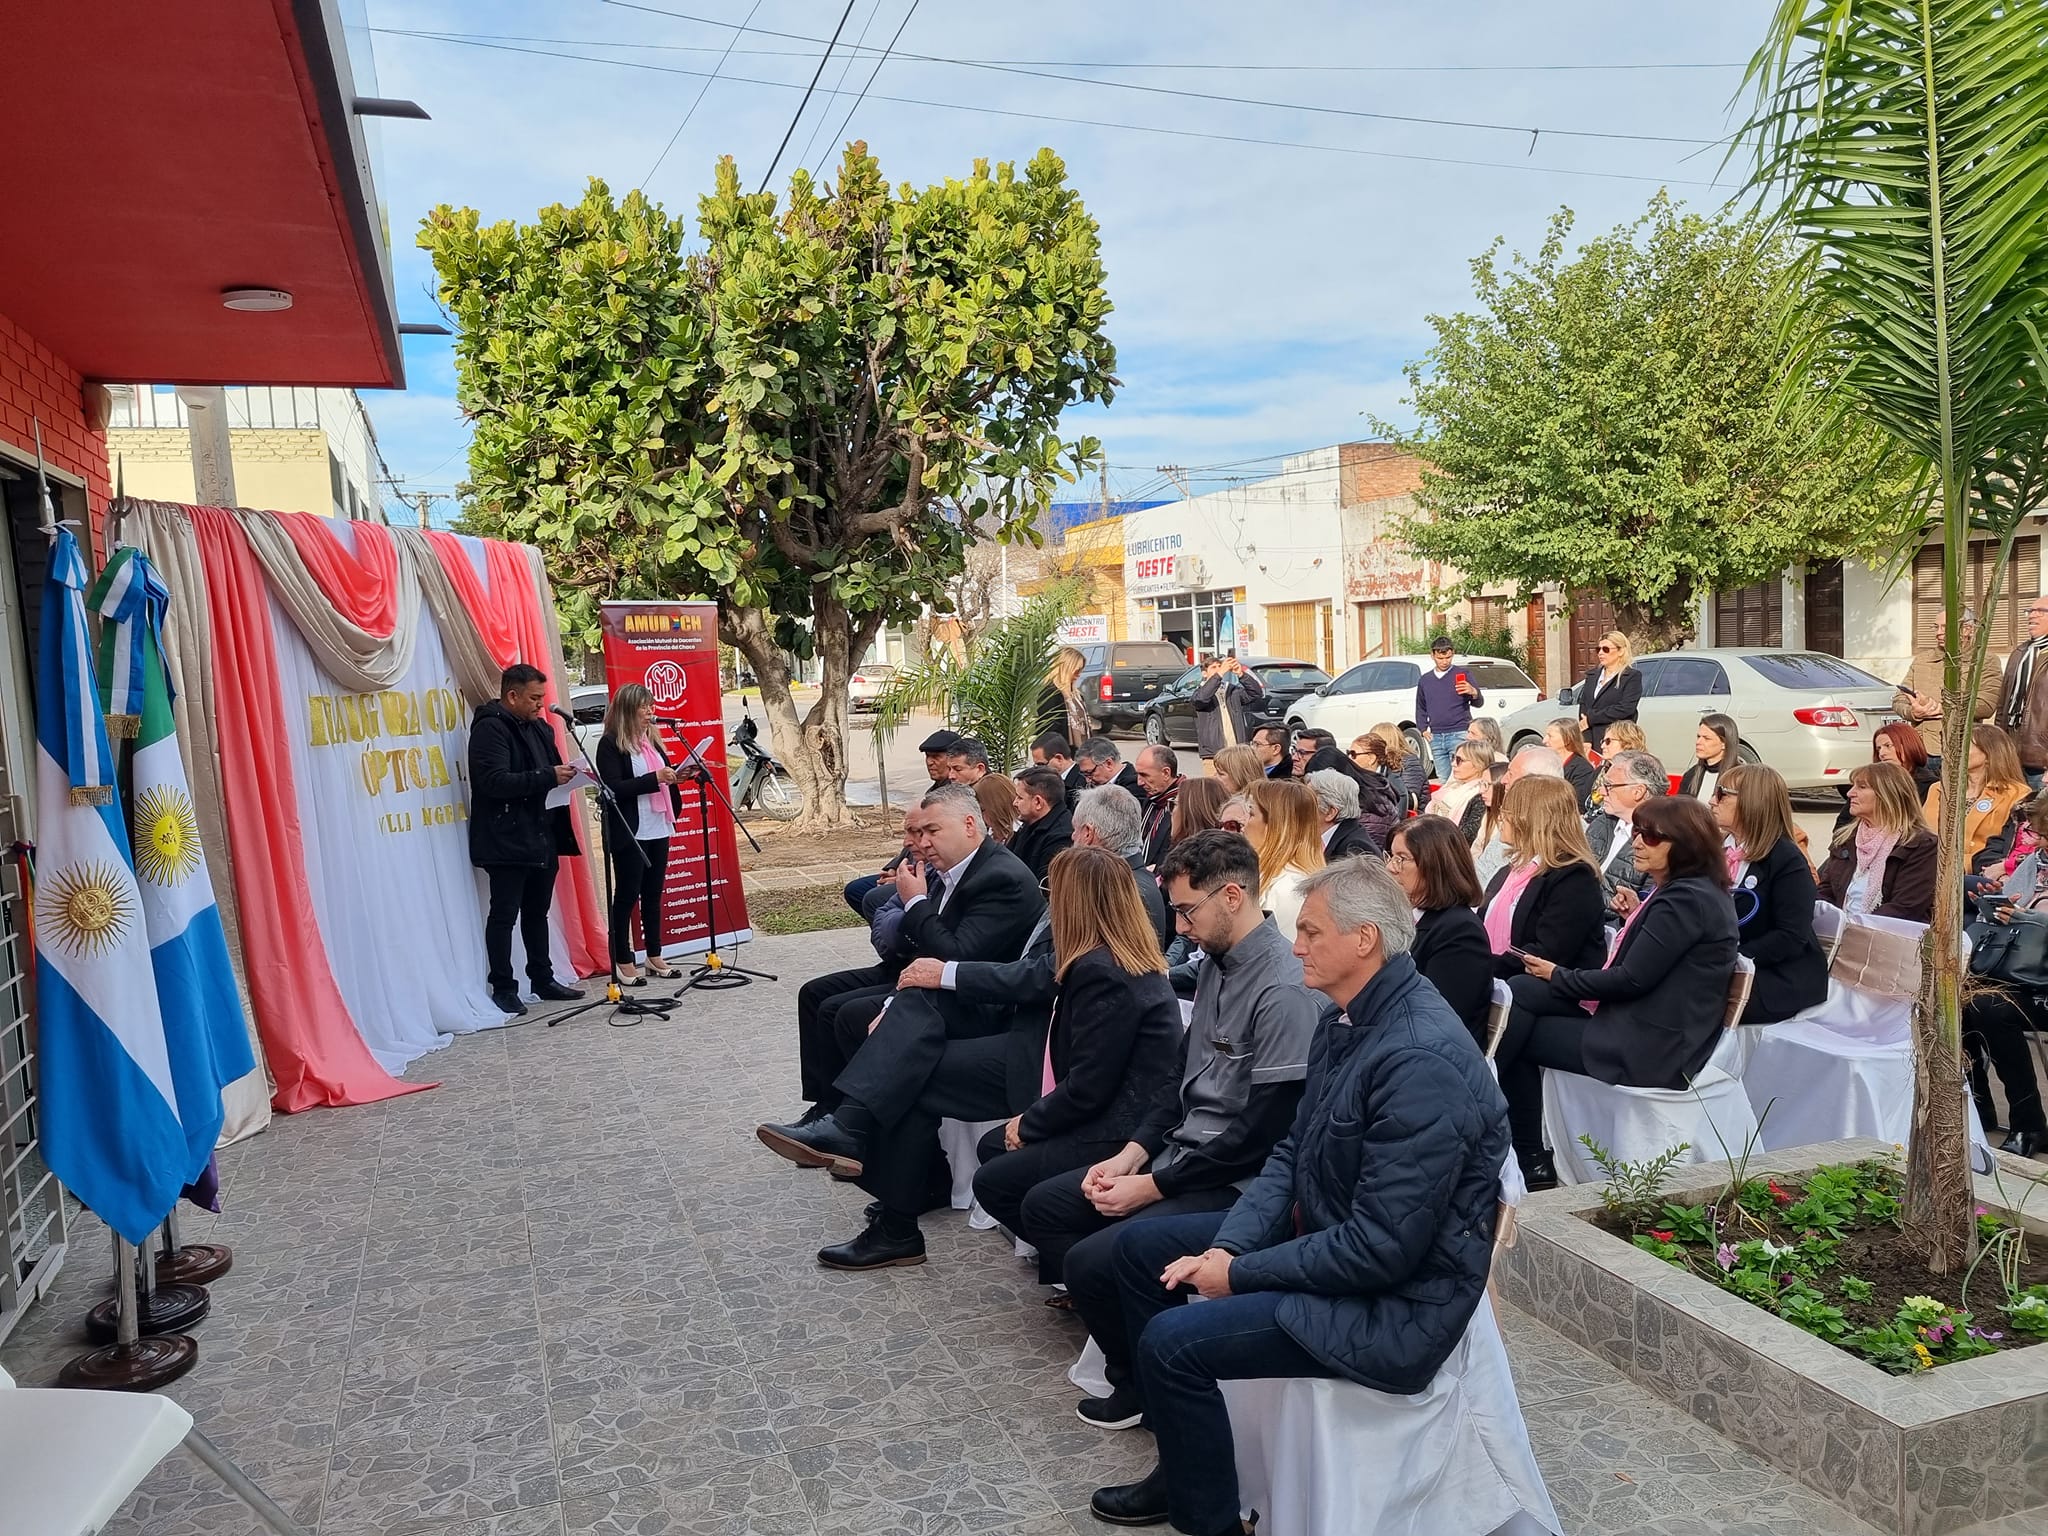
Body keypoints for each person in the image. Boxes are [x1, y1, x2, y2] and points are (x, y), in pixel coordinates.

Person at [1084, 857, 1509, 1535]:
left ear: (1364, 939)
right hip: (1330, 1239)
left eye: (1310, 931)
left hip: (1395, 1307)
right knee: (1137, 1252)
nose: (1297, 946)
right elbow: (1291, 1155)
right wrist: (1228, 1245)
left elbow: (1382, 1251)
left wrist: (1239, 1272)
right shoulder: (1348, 1017)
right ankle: (1188, 1465)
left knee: (1171, 1343)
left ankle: (1208, 1521)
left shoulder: (1418, 1057)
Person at [1037, 831, 1321, 1423]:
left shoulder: (1283, 988)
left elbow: (1262, 1134)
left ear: (1233, 896)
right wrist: (1132, 1155)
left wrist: (1155, 1186)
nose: (1181, 929)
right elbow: (1177, 1080)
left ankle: (1154, 1386)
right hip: (1185, 1155)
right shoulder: (1218, 964)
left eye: (1188, 911)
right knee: (1047, 1208)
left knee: (1097, 1261)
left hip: (1239, 1179)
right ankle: (1136, 1363)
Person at [1492, 794, 1739, 1189]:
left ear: (1686, 845)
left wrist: (1558, 974)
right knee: (1521, 992)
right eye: (1638, 832)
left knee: (1518, 1027)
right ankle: (1521, 1148)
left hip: (1652, 1044)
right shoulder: (1686, 892)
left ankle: (1507, 1137)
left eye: (1652, 837)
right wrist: (1635, 914)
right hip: (1649, 1025)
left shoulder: (1685, 900)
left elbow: (1631, 980)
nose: (1638, 841)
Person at [967, 846, 1190, 1261]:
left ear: (1074, 903)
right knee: (993, 1149)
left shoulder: (1103, 970)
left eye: (1053, 890)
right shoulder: (1109, 958)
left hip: (1124, 1127)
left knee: (995, 1179)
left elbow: (1090, 1086)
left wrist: (1030, 1124)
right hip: (1116, 1110)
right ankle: (1069, 1256)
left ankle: (1084, 1264)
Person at [783, 784, 1045, 1125]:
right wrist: (911, 913)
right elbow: (899, 928)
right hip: (916, 967)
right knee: (815, 993)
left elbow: (955, 954)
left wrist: (915, 903)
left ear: (969, 825)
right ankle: (827, 1107)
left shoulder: (998, 876)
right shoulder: (949, 865)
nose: (921, 843)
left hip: (974, 996)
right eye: (917, 833)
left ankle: (854, 1121)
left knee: (846, 1013)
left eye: (932, 831)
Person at [468, 663, 584, 1015]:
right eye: (534, 698)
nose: (539, 705)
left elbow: (548, 776)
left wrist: (568, 774)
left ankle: (542, 978)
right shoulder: (490, 729)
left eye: (542, 698)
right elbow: (493, 782)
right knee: (504, 915)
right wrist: (547, 776)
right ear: (512, 695)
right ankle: (503, 986)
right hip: (506, 838)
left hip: (541, 832)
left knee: (538, 911)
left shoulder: (540, 729)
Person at [1966, 791, 2048, 1157]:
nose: (2037, 842)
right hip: (2023, 973)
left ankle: (2028, 1124)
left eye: (2044, 835)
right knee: (1963, 1000)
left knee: (1991, 1008)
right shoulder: (2036, 861)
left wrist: (2027, 918)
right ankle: (1977, 1106)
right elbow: (2011, 905)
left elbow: (2029, 919)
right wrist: (1993, 902)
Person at [1711, 764, 1827, 1024]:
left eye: (1722, 794)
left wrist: (1729, 956)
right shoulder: (1719, 849)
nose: (1711, 800)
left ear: (1751, 802)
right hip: (1723, 964)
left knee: (1684, 995)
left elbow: (1790, 936)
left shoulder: (1786, 859)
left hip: (1775, 974)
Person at [593, 683, 681, 985]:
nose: (650, 712)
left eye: (651, 706)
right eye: (644, 706)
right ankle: (622, 957)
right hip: (631, 829)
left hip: (658, 824)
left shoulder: (651, 742)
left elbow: (662, 778)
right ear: (628, 710)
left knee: (653, 894)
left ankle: (654, 955)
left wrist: (678, 775)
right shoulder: (610, 744)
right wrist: (653, 778)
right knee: (627, 895)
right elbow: (613, 787)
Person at [1480, 776, 1607, 981]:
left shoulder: (1574, 878)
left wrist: (1481, 966)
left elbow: (1547, 953)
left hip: (1543, 990)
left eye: (1507, 812)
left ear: (1529, 819)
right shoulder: (1512, 869)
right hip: (1498, 976)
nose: (1501, 819)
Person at [1386, 815, 1494, 1044]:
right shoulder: (1409, 916)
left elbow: (1439, 1016)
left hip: (1431, 1055)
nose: (1390, 868)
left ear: (1435, 865)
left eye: (1401, 858)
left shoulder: (1460, 932)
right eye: (1391, 857)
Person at [843, 726, 963, 917]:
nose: (930, 762)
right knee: (856, 889)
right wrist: (894, 868)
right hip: (914, 867)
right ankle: (892, 937)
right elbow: (913, 840)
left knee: (873, 898)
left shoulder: (957, 797)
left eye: (936, 757)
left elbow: (943, 849)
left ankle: (903, 941)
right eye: (927, 757)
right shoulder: (933, 792)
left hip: (933, 874)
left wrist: (907, 876)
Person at [1816, 761, 1939, 923]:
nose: (1850, 793)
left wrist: (1855, 929)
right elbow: (1826, 893)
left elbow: (1906, 908)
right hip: (1839, 934)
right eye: (1853, 786)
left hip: (1887, 939)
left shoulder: (1922, 845)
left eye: (1861, 787)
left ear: (1887, 794)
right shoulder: (1846, 839)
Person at [1072, 784, 1173, 948]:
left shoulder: (1117, 889)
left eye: (1075, 829)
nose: (1073, 836)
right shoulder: (1132, 878)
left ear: (1088, 833)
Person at [1924, 721, 2029, 876]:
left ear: (1989, 753)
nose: (1956, 751)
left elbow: (2012, 847)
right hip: (1929, 868)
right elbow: (1921, 834)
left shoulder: (2016, 793)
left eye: (1966, 745)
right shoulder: (1938, 789)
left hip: (1980, 872)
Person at [1896, 609, 1998, 766]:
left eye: (1945, 627)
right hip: (1920, 750)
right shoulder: (1922, 660)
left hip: (1960, 750)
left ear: (1967, 629)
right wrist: (1913, 712)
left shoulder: (1984, 661)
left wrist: (1943, 708)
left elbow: (1986, 705)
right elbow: (1899, 698)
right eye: (1935, 627)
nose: (1938, 633)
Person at [1587, 749, 1666, 916]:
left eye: (1609, 785)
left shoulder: (1659, 842)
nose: (1601, 792)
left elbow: (1647, 910)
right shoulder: (1602, 823)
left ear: (1638, 791)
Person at [1245, 777, 1326, 940]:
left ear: (1274, 826)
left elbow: (1281, 959)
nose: (1244, 824)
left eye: (1251, 814)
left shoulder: (1288, 890)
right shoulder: (1273, 877)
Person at [1415, 634, 1484, 781]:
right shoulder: (1425, 680)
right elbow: (1421, 706)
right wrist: (1422, 729)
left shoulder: (1463, 674)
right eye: (1440, 658)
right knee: (1443, 778)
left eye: (1448, 657)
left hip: (1459, 732)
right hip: (1436, 736)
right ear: (1432, 655)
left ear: (1453, 654)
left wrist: (1473, 692)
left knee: (1461, 777)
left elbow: (1479, 703)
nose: (1445, 662)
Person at [2000, 595, 2048, 786]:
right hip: (2012, 755)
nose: (2031, 616)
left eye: (2040, 611)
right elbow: (2003, 704)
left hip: (2042, 760)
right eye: (2029, 611)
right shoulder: (2020, 653)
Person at [1191, 653, 1267, 761]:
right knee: (1214, 779)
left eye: (1219, 666)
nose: (1218, 669)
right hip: (1214, 754)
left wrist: (1241, 674)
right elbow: (1201, 700)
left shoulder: (1231, 690)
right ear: (1204, 673)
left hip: (1236, 752)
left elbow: (1256, 693)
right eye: (1214, 667)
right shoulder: (1200, 693)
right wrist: (1220, 672)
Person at [1577, 630, 1642, 753]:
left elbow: (1626, 708)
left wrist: (1592, 718)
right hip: (1593, 741)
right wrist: (1586, 738)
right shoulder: (1592, 676)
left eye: (1606, 649)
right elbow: (1583, 706)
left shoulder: (1631, 677)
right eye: (1598, 649)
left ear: (1621, 651)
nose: (1600, 653)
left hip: (1617, 739)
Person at [1009, 765, 1075, 882]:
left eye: (1020, 797)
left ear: (1038, 802)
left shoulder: (1061, 838)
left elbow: (1044, 885)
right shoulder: (1029, 824)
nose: (1015, 803)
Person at [1306, 768, 1377, 860]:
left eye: (1307, 802)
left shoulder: (1355, 850)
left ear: (1330, 812)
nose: (1300, 806)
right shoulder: (1317, 835)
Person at [1466, 761, 1514, 888]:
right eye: (1481, 784)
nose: (1481, 790)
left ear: (1500, 787)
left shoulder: (1508, 823)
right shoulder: (1488, 814)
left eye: (1487, 785)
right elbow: (1475, 851)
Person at [1135, 744, 1183, 866]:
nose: (1139, 782)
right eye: (1138, 775)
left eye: (1144, 775)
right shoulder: (1151, 800)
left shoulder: (1185, 804)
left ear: (1166, 773)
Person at [1425, 740, 1492, 827]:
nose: (1453, 764)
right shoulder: (1453, 785)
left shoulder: (1480, 795)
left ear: (1478, 765)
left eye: (1459, 760)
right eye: (1453, 758)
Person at [1873, 719, 1940, 802]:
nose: (1881, 754)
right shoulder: (1876, 784)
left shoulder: (1929, 786)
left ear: (1907, 745)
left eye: (1888, 746)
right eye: (1878, 749)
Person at [1677, 714, 1740, 801]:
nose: (1698, 742)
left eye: (1707, 738)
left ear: (1724, 744)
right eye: (1698, 737)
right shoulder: (1691, 775)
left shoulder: (1740, 777)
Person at [1044, 644, 1092, 750]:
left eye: (1081, 670)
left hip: (1082, 750)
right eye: (1077, 670)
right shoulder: (1051, 693)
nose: (1079, 674)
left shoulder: (1076, 695)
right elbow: (1049, 729)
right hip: (1062, 751)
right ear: (1066, 668)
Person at [1544, 718, 1599, 810]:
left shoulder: (1582, 769)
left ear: (1567, 740)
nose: (1544, 740)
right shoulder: (1546, 762)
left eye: (1550, 736)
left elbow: (1577, 803)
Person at [1170, 775, 1231, 848]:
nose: (1171, 812)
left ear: (1191, 812)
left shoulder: (1189, 856)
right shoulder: (1233, 851)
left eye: (1174, 804)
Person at [1032, 730, 1088, 810]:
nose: (1038, 770)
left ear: (1059, 759)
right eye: (1036, 765)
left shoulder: (1082, 782)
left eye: (1041, 765)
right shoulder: (1049, 781)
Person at [975, 772, 1019, 845]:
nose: (979, 816)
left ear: (997, 808)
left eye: (982, 810)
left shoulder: (1023, 834)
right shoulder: (986, 834)